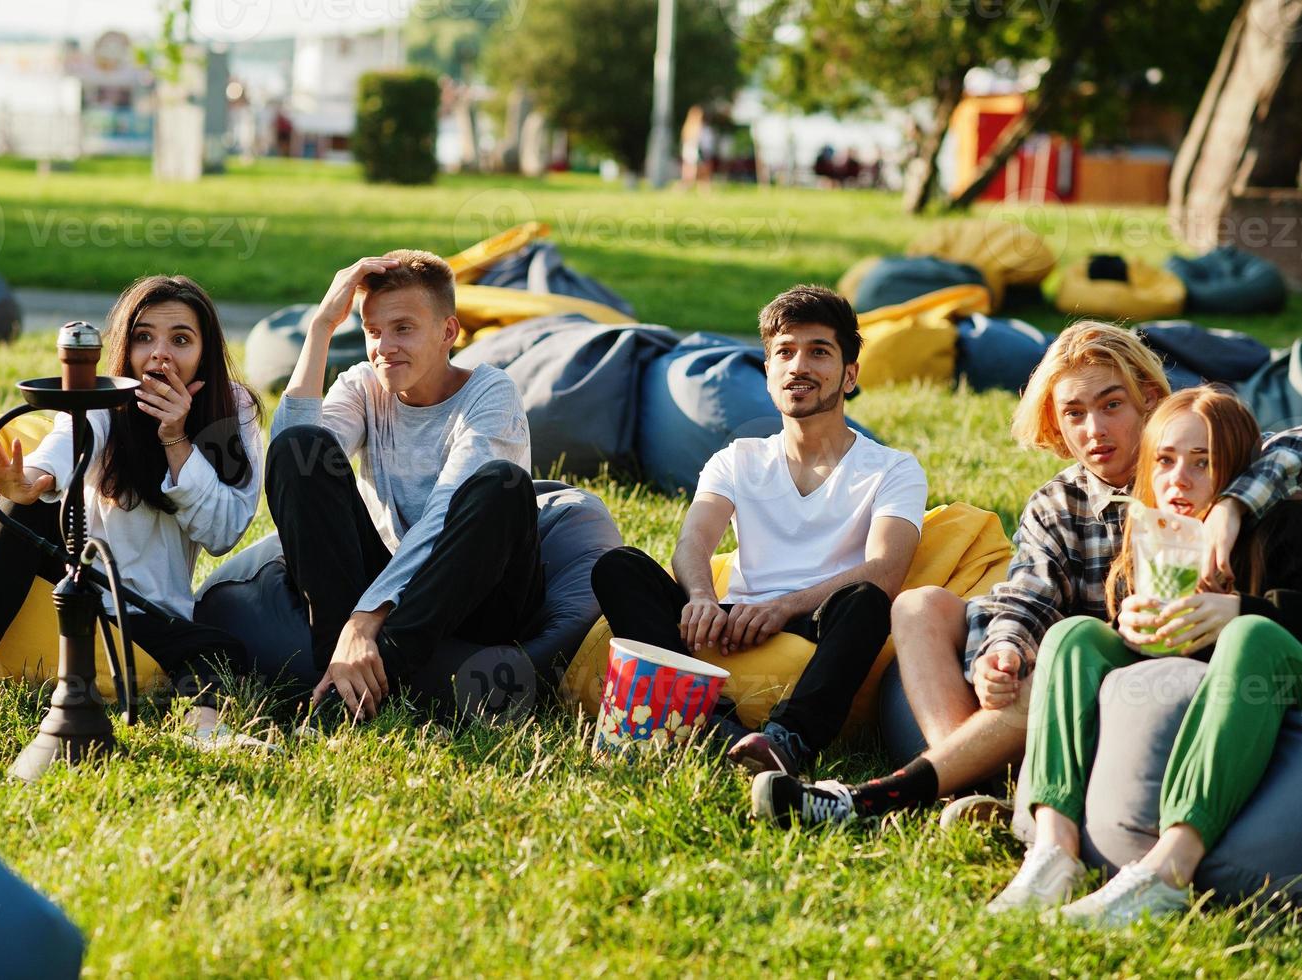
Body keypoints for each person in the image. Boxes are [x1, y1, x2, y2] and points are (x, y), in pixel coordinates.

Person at [751, 321, 1302, 827]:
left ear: (1150, 402)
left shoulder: (1195, 465)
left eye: (1112, 405)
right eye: (1075, 414)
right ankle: (967, 788)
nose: (1095, 429)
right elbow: (1027, 595)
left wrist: (1233, 505)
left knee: (1065, 656)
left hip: (1115, 677)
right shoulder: (1057, 502)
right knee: (918, 606)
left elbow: (1287, 445)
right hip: (1051, 673)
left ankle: (911, 788)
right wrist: (1003, 650)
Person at [0, 275, 268, 750]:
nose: (160, 354)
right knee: (23, 507)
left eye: (180, 339)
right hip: (77, 584)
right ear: (124, 346)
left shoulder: (232, 410)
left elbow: (222, 532)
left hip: (146, 612)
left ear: (205, 351)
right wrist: (29, 480)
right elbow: (64, 446)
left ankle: (203, 729)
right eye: (145, 337)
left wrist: (176, 437)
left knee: (220, 650)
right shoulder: (103, 399)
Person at [989, 386, 1302, 925]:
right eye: (1165, 460)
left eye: (1203, 462)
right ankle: (1054, 850)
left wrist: (1243, 610)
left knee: (1253, 635)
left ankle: (1168, 871)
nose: (1179, 479)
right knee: (1074, 635)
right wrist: (1129, 629)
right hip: (1184, 692)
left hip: (1274, 673)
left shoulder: (1286, 527)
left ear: (1238, 471)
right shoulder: (1155, 538)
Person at [592, 284, 926, 775]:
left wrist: (780, 607)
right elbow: (693, 541)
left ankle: (788, 740)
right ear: (768, 372)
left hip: (816, 620)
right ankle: (712, 721)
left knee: (867, 600)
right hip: (732, 620)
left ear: (850, 374)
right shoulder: (738, 458)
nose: (799, 366)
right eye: (784, 353)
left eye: (819, 352)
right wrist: (702, 598)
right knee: (619, 567)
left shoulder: (893, 468)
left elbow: (885, 570)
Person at [264, 250, 542, 723]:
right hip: (395, 581)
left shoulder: (491, 393)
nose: (384, 347)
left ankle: (351, 695)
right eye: (374, 332)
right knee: (299, 446)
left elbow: (445, 510)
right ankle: (342, 665)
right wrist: (321, 328)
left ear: (448, 332)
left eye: (404, 329)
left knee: (501, 483)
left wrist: (367, 615)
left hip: (479, 592)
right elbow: (292, 461)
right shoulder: (362, 386)